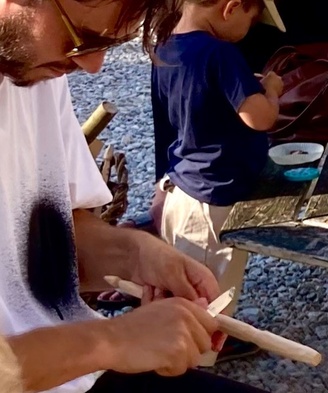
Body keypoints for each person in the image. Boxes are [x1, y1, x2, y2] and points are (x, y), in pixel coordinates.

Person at [0, 0, 267, 391]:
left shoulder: (34, 70)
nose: (93, 65)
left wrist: (136, 255)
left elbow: (40, 240)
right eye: (82, 38)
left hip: (75, 373)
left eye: (110, 42)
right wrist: (112, 341)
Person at [150, 0, 284, 364]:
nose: (248, 30)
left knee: (182, 281)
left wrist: (160, 182)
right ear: (231, 7)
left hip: (183, 186)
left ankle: (186, 344)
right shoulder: (221, 53)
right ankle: (196, 357)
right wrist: (271, 90)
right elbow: (260, 118)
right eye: (251, 20)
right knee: (209, 289)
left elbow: (165, 123)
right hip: (214, 195)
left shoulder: (164, 48)